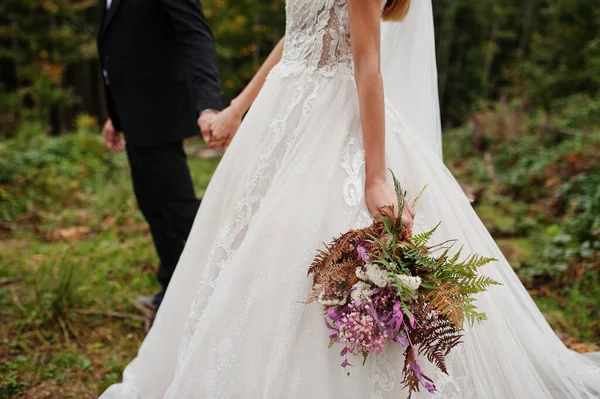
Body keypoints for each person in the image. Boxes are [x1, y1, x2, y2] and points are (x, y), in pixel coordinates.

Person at [101, 0, 600, 397]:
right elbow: (295, 38)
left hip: (333, 121)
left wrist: (376, 177)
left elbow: (367, 67)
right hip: (282, 117)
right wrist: (237, 108)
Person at [96, 0, 223, 309]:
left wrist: (208, 105)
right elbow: (124, 47)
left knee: (179, 210)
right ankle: (172, 291)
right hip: (133, 113)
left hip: (160, 113)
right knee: (152, 206)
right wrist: (117, 114)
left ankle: (227, 287)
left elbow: (196, 36)